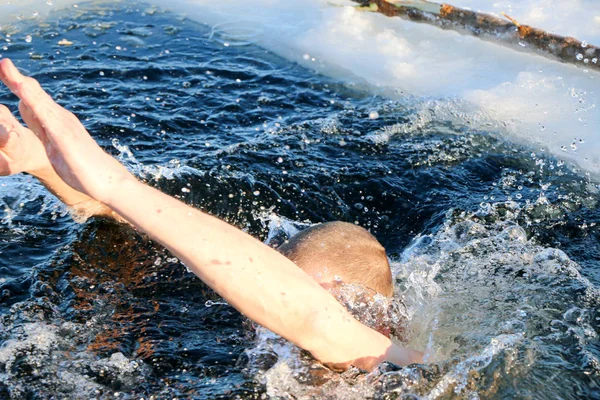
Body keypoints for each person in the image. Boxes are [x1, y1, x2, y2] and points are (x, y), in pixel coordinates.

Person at [0, 58, 423, 371]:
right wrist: (39, 161)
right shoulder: (240, 321)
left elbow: (312, 318)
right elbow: (142, 227)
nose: (266, 322)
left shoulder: (402, 368)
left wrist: (115, 182)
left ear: (376, 319)